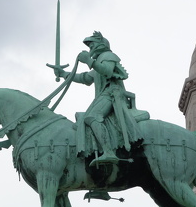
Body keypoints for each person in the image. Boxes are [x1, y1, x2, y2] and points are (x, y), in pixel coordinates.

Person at [55, 31, 142, 167]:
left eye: (92, 44)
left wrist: (89, 61)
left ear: (100, 44)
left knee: (92, 117)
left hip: (112, 93)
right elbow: (85, 79)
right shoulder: (99, 62)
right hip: (104, 95)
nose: (90, 48)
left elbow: (107, 70)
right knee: (86, 118)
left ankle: (109, 152)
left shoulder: (108, 56)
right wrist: (64, 74)